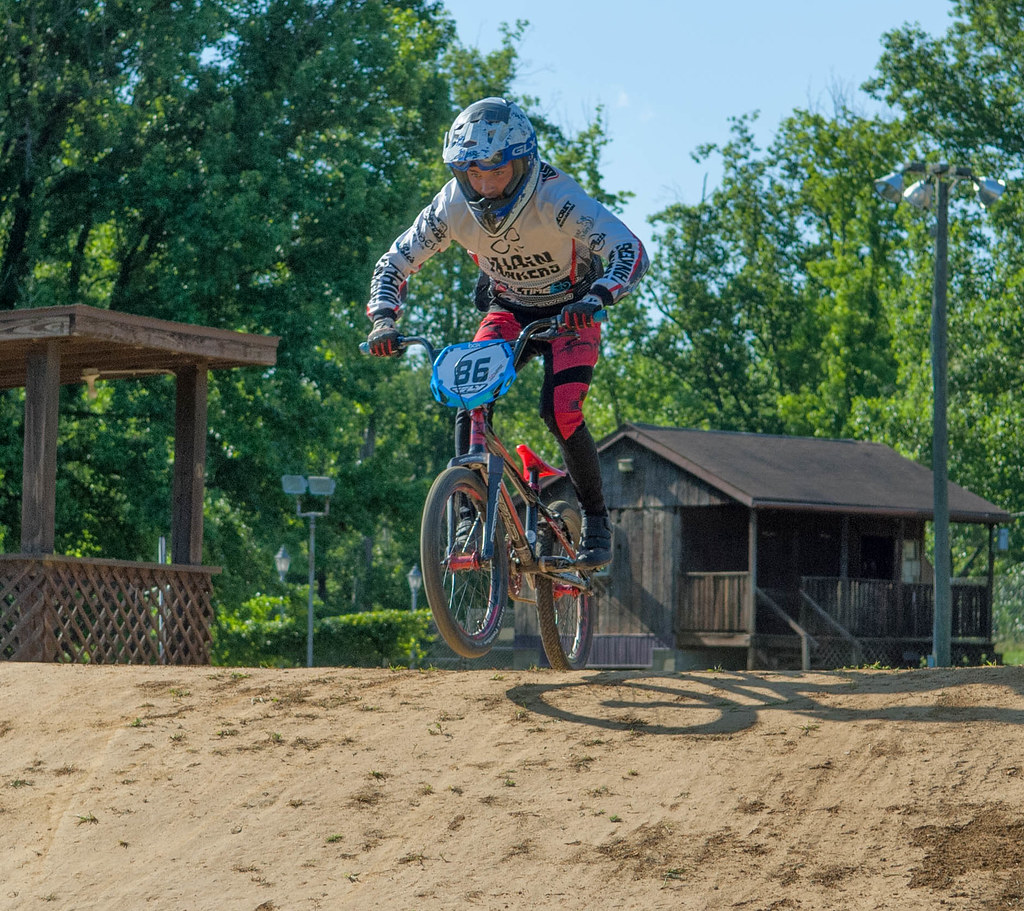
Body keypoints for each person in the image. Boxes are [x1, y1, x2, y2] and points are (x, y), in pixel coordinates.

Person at [365, 97, 648, 568]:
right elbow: (393, 263)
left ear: (523, 163)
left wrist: (598, 297)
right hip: (509, 309)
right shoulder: (450, 205)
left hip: (570, 312)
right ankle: (465, 515)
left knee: (561, 410)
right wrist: (383, 319)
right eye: (472, 173)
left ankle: (596, 519)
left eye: (496, 171)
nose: (485, 186)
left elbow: (630, 249)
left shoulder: (557, 197)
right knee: (468, 393)